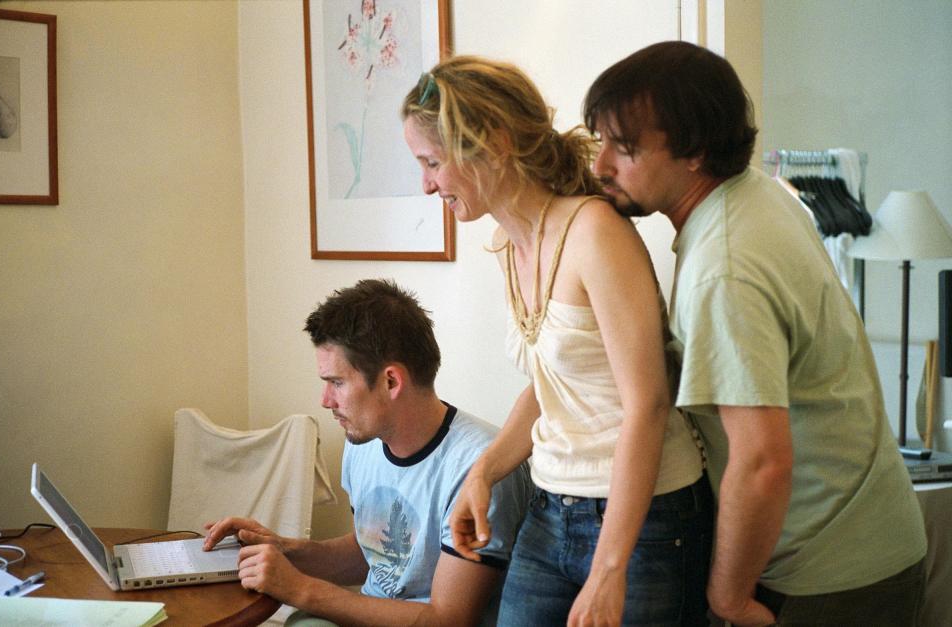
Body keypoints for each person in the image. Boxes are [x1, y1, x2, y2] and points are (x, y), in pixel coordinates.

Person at [584, 41, 928, 626]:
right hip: (870, 545)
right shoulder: (757, 195)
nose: (601, 166)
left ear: (693, 152)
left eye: (625, 148)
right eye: (600, 141)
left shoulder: (724, 266)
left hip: (829, 579)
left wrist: (727, 597)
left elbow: (763, 460)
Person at [402, 56, 711, 626]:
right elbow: (551, 385)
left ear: (492, 144)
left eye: (433, 163)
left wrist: (609, 569)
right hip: (551, 509)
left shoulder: (595, 232)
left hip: (647, 519)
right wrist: (484, 471)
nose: (426, 184)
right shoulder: (506, 244)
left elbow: (647, 404)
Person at [203, 279, 531, 626]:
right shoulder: (364, 440)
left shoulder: (481, 468)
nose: (325, 400)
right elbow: (372, 553)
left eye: (337, 383)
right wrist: (283, 551)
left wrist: (300, 589)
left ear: (391, 381)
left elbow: (448, 619)